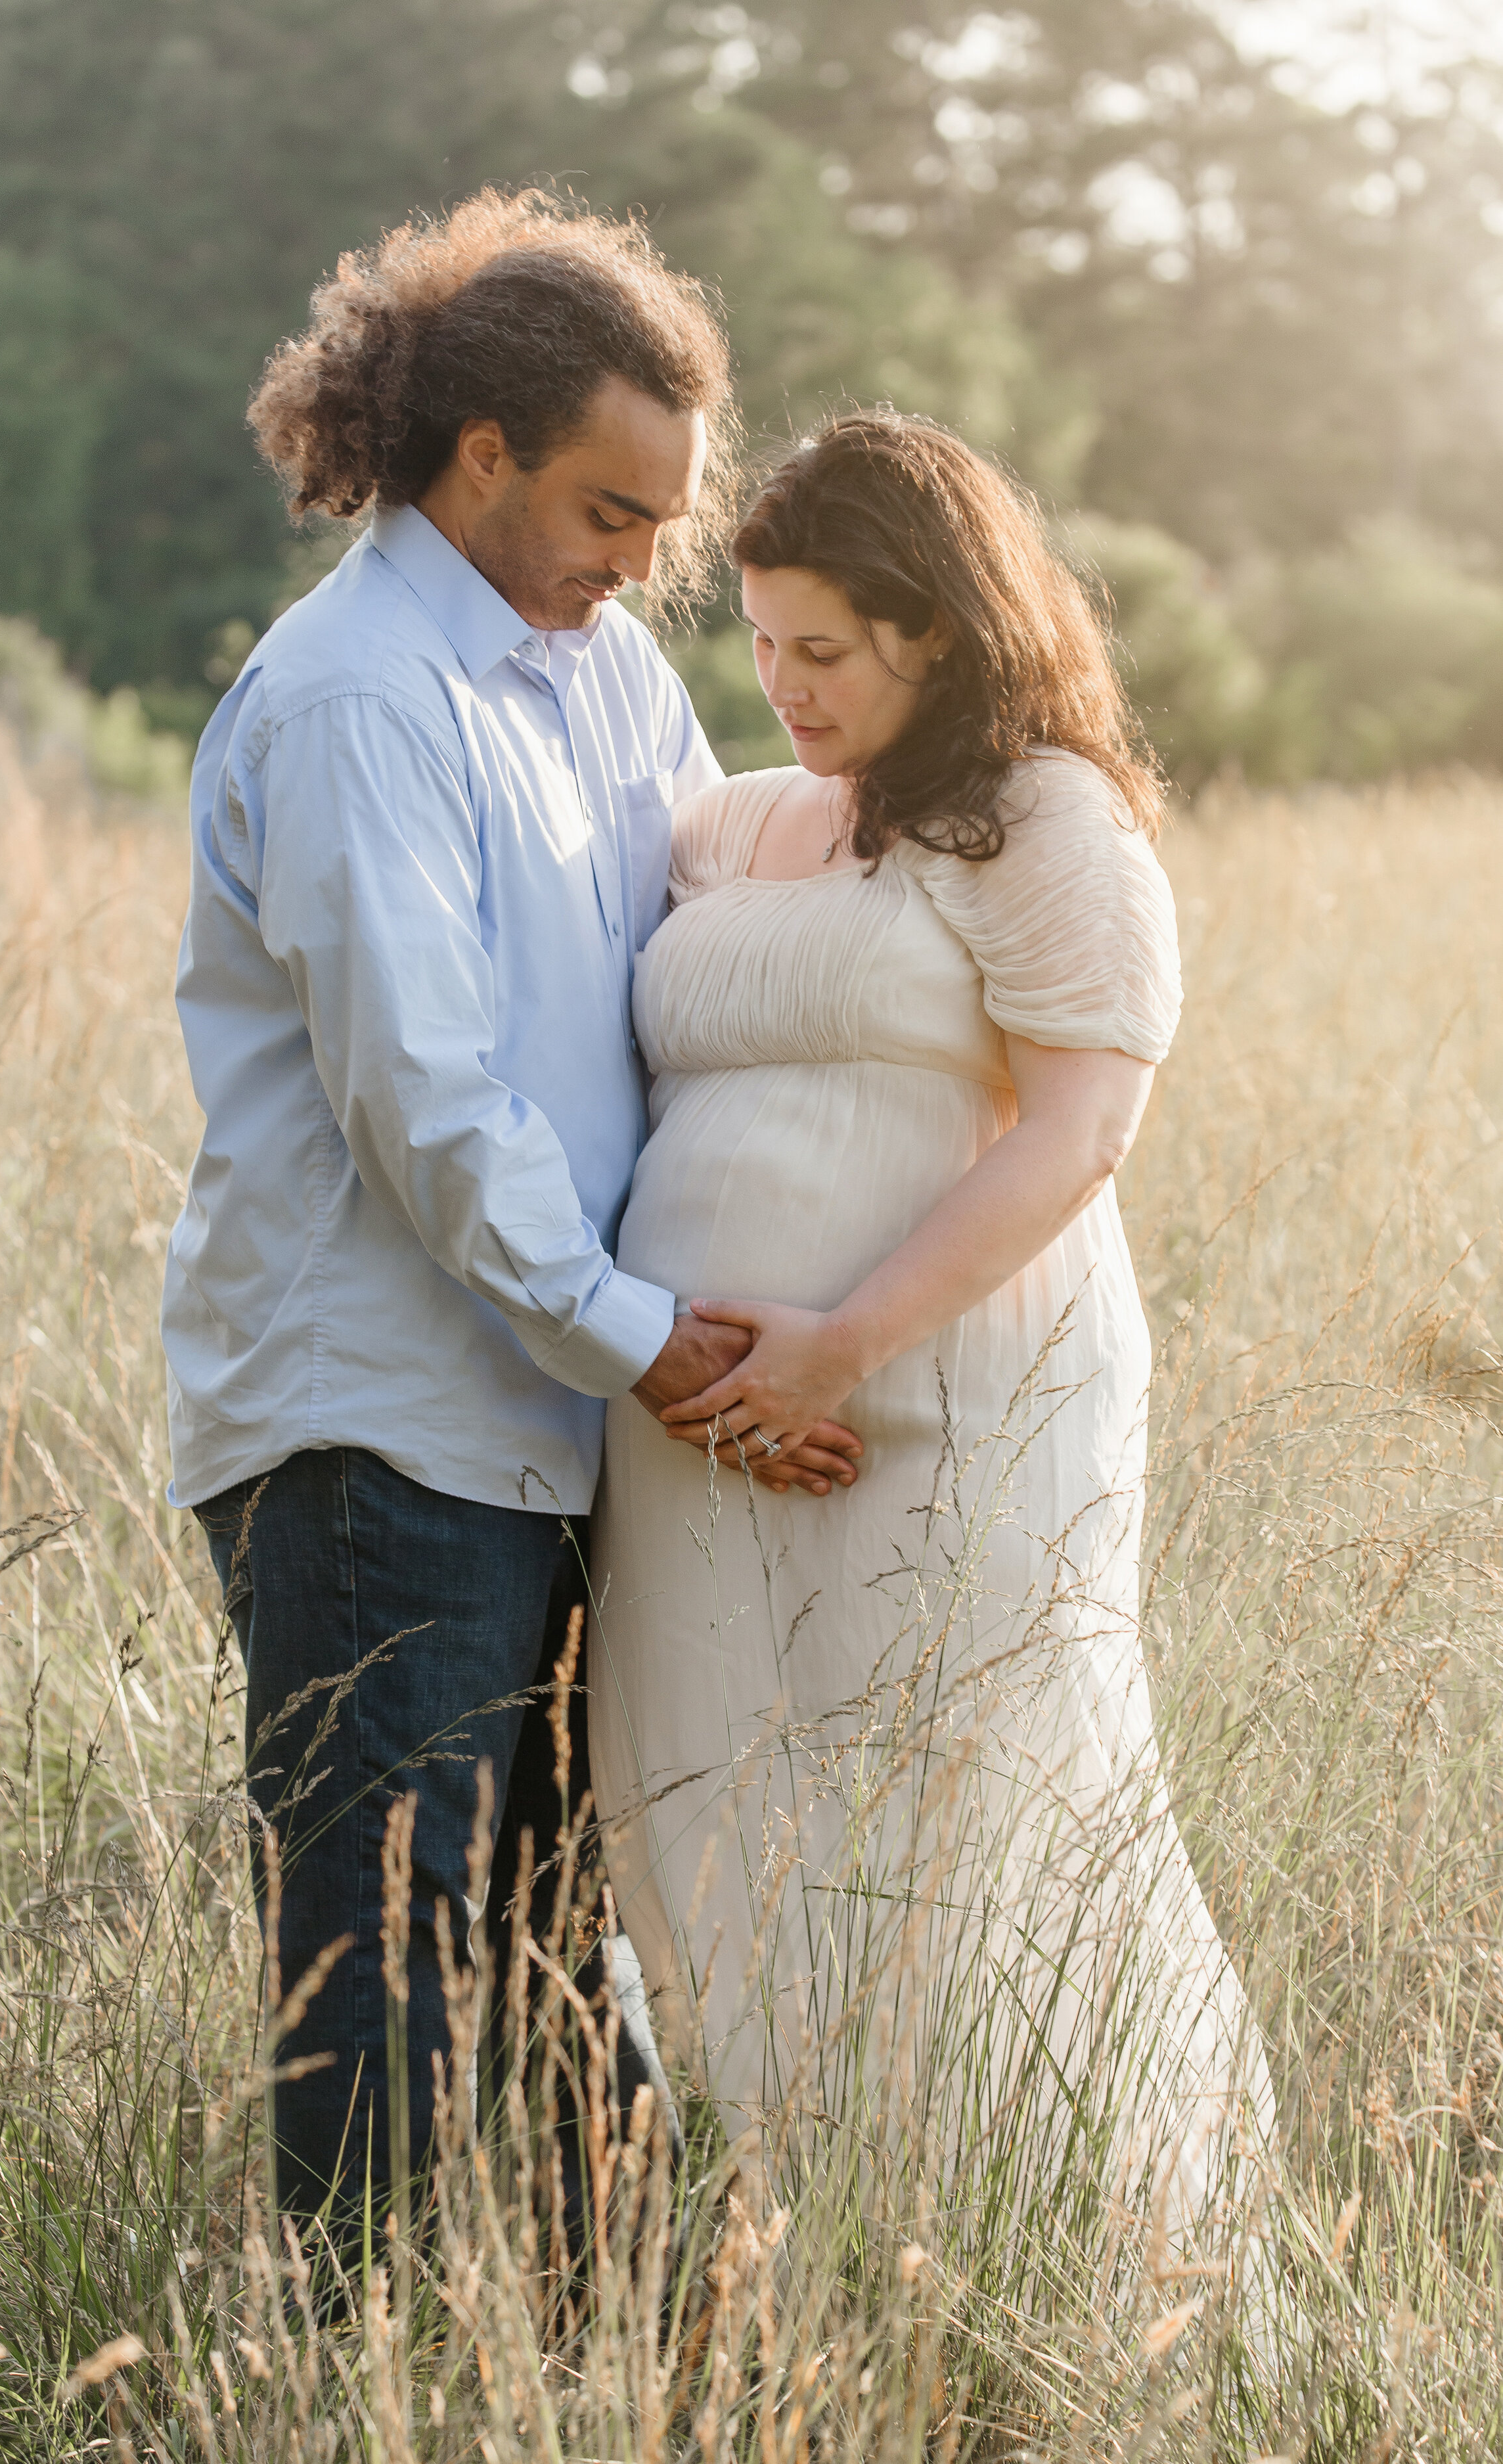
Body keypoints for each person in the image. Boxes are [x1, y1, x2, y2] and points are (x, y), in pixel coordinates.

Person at [161, 190, 864, 2258]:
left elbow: (710, 933)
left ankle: (627, 2369)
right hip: (378, 1432)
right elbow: (426, 1106)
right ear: (477, 460)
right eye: (605, 509)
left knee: (575, 1945)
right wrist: (642, 1334)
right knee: (380, 1985)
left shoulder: (603, 674)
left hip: (556, 1418)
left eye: (661, 521)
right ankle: (364, 2392)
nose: (640, 559)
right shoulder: (362, 700)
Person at [588, 412, 1274, 2250]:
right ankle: (787, 2239)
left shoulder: (1047, 817)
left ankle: (1037, 2241)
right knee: (713, 1791)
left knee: (962, 1803)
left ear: (942, 632)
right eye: (759, 644)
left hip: (943, 1397)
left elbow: (1082, 1127)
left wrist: (841, 1340)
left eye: (823, 649)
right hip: (698, 1425)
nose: (782, 686)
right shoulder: (738, 824)